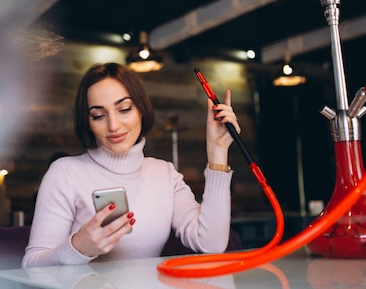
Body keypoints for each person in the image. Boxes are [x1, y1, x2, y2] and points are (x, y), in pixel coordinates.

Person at [22, 62, 240, 267]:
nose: (114, 125)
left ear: (141, 110)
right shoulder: (65, 173)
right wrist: (78, 247)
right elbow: (31, 265)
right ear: (88, 123)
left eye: (124, 109)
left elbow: (211, 244)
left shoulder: (164, 174)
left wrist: (218, 151)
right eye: (98, 115)